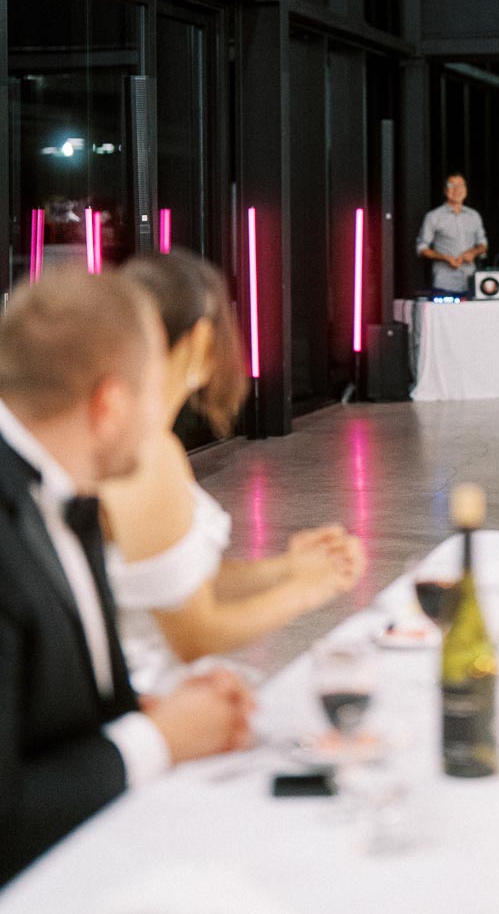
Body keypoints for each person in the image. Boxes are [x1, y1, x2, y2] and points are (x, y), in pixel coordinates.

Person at [0, 267, 255, 886]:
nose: (160, 428)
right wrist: (159, 738)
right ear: (110, 403)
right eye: (152, 395)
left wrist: (158, 709)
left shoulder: (73, 496)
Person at [99, 249, 365, 692]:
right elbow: (194, 636)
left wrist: (283, 568)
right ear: (202, 339)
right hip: (148, 702)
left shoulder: (147, 441)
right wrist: (304, 589)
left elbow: (182, 584)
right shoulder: (146, 453)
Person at [416, 173, 488, 296]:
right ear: (445, 190)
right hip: (444, 282)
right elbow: (421, 248)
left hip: (471, 280)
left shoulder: (474, 216)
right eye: (452, 185)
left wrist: (473, 252)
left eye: (461, 185)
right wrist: (446, 258)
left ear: (466, 189)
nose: (457, 189)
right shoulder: (434, 216)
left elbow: (483, 244)